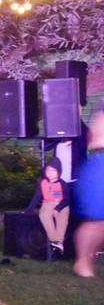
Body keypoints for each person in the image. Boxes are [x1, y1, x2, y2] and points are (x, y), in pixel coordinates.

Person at [74, 110, 104, 278]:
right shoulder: (101, 116)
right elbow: (92, 139)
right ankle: (82, 261)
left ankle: (88, 256)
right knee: (96, 220)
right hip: (100, 166)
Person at [26, 157, 70, 255]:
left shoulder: (62, 184)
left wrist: (59, 208)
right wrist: (30, 209)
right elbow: (37, 197)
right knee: (44, 215)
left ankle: (59, 241)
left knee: (62, 219)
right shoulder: (43, 183)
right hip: (47, 203)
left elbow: (67, 199)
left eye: (53, 170)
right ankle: (55, 241)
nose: (50, 173)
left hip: (61, 204)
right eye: (48, 170)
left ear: (58, 172)